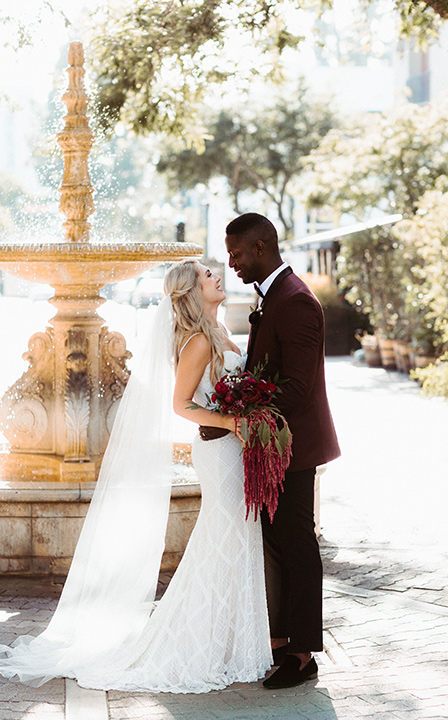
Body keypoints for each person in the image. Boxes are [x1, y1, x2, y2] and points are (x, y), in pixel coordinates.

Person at [0, 259, 272, 693]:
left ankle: (232, 641)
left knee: (236, 540)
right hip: (220, 453)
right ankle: (197, 640)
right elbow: (181, 404)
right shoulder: (199, 342)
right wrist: (233, 423)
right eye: (206, 275)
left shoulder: (219, 333)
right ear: (192, 292)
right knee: (222, 539)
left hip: (234, 450)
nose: (216, 276)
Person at [225, 213, 341, 690]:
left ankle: (303, 655)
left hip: (293, 446)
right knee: (278, 543)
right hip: (275, 445)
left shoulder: (295, 300)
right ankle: (281, 642)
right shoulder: (274, 296)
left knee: (297, 545)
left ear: (261, 245)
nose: (231, 263)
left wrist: (242, 414)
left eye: (237, 254)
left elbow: (296, 387)